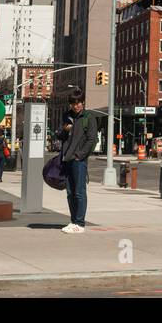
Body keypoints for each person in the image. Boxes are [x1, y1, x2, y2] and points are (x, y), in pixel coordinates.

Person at [60, 93, 99, 233]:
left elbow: (92, 140)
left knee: (79, 192)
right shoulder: (67, 116)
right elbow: (60, 136)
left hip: (78, 160)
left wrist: (79, 155)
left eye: (79, 103)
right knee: (70, 192)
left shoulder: (88, 118)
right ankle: (73, 221)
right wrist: (64, 130)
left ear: (83, 102)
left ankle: (80, 223)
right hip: (67, 158)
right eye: (74, 103)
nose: (76, 106)